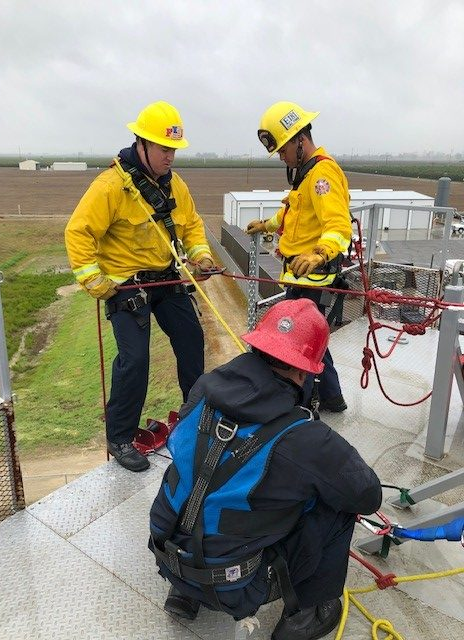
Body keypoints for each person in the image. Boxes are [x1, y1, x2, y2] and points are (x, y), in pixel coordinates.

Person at [149, 298, 382, 640]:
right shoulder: (305, 438)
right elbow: (368, 495)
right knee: (336, 507)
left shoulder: (203, 390)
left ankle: (184, 593)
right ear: (305, 372)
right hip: (233, 585)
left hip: (167, 556)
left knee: (200, 473)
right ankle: (308, 613)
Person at [65, 101, 214, 473]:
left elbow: (192, 225)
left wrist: (202, 257)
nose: (171, 157)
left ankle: (195, 418)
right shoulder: (112, 187)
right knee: (135, 360)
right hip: (127, 289)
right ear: (142, 144)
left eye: (174, 149)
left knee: (191, 340)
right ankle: (119, 437)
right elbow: (78, 232)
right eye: (165, 149)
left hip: (166, 279)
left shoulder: (174, 184)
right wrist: (93, 280)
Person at [247, 101, 352, 414]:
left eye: (282, 150)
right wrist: (266, 224)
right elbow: (294, 213)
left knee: (301, 346)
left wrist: (319, 253)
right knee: (311, 343)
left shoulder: (322, 175)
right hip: (301, 276)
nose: (281, 156)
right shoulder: (306, 175)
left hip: (314, 277)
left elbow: (337, 224)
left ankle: (304, 407)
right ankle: (332, 399)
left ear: (300, 141)